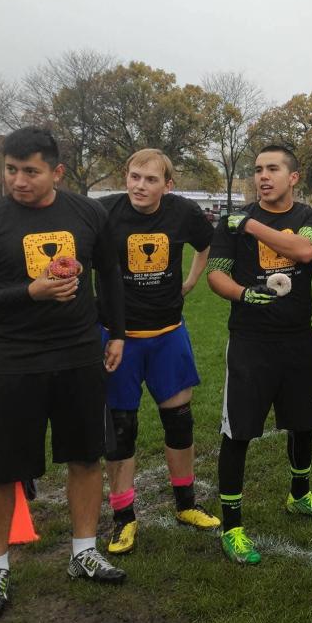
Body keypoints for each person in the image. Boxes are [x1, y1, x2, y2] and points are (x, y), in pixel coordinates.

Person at [0, 126, 128, 622]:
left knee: (86, 457)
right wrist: (30, 292)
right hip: (12, 361)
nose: (19, 181)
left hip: (78, 356)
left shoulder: (89, 213)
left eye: (31, 171)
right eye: (12, 170)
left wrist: (116, 331)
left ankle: (84, 551)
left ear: (56, 171)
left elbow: (109, 273)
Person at [206, 145, 312, 565]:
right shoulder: (231, 223)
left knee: (304, 423)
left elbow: (304, 252)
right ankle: (232, 526)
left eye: (272, 169)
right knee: (239, 432)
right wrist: (244, 294)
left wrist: (249, 225)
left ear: (293, 177)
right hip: (249, 341)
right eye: (258, 170)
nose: (263, 176)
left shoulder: (310, 218)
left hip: (297, 339)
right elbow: (216, 275)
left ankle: (299, 495)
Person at [97, 149, 220, 555]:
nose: (140, 186)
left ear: (167, 185)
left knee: (179, 422)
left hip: (168, 334)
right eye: (134, 176)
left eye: (151, 180)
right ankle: (123, 519)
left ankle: (186, 505)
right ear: (125, 176)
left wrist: (190, 281)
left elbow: (206, 246)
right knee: (121, 429)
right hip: (120, 338)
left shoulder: (182, 212)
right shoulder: (105, 212)